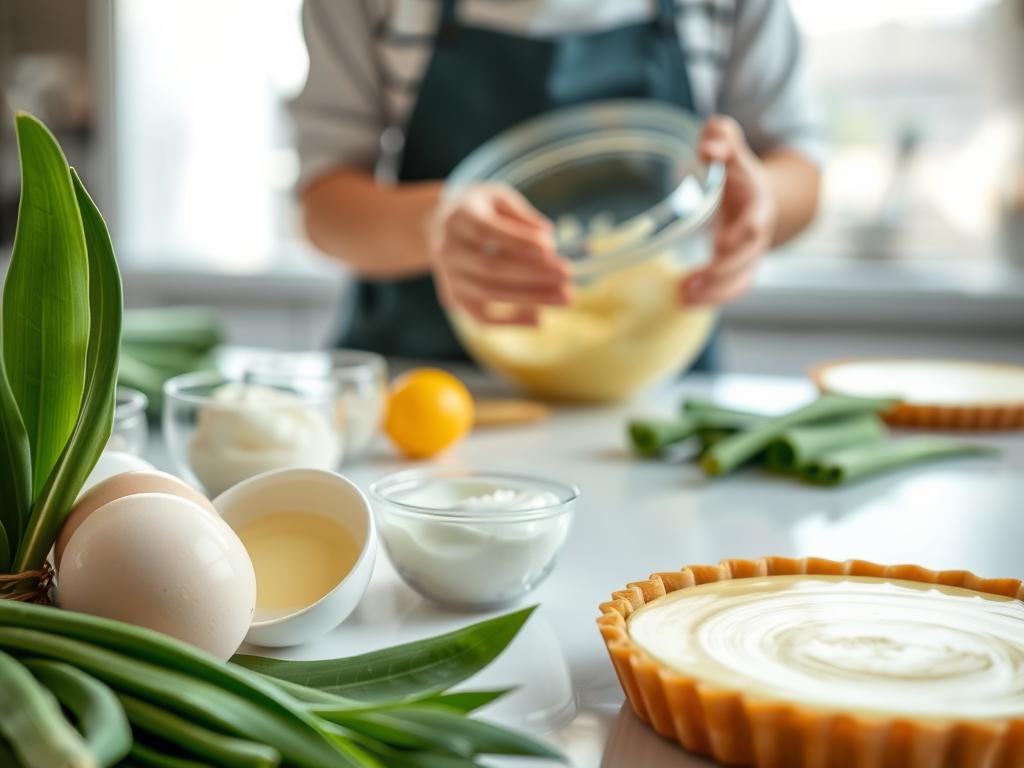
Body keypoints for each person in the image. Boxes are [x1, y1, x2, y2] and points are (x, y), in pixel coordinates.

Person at [290, 0, 822, 366]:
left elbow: (800, 173)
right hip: (425, 386)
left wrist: (761, 203)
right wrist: (436, 223)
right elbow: (323, 203)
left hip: (652, 401)